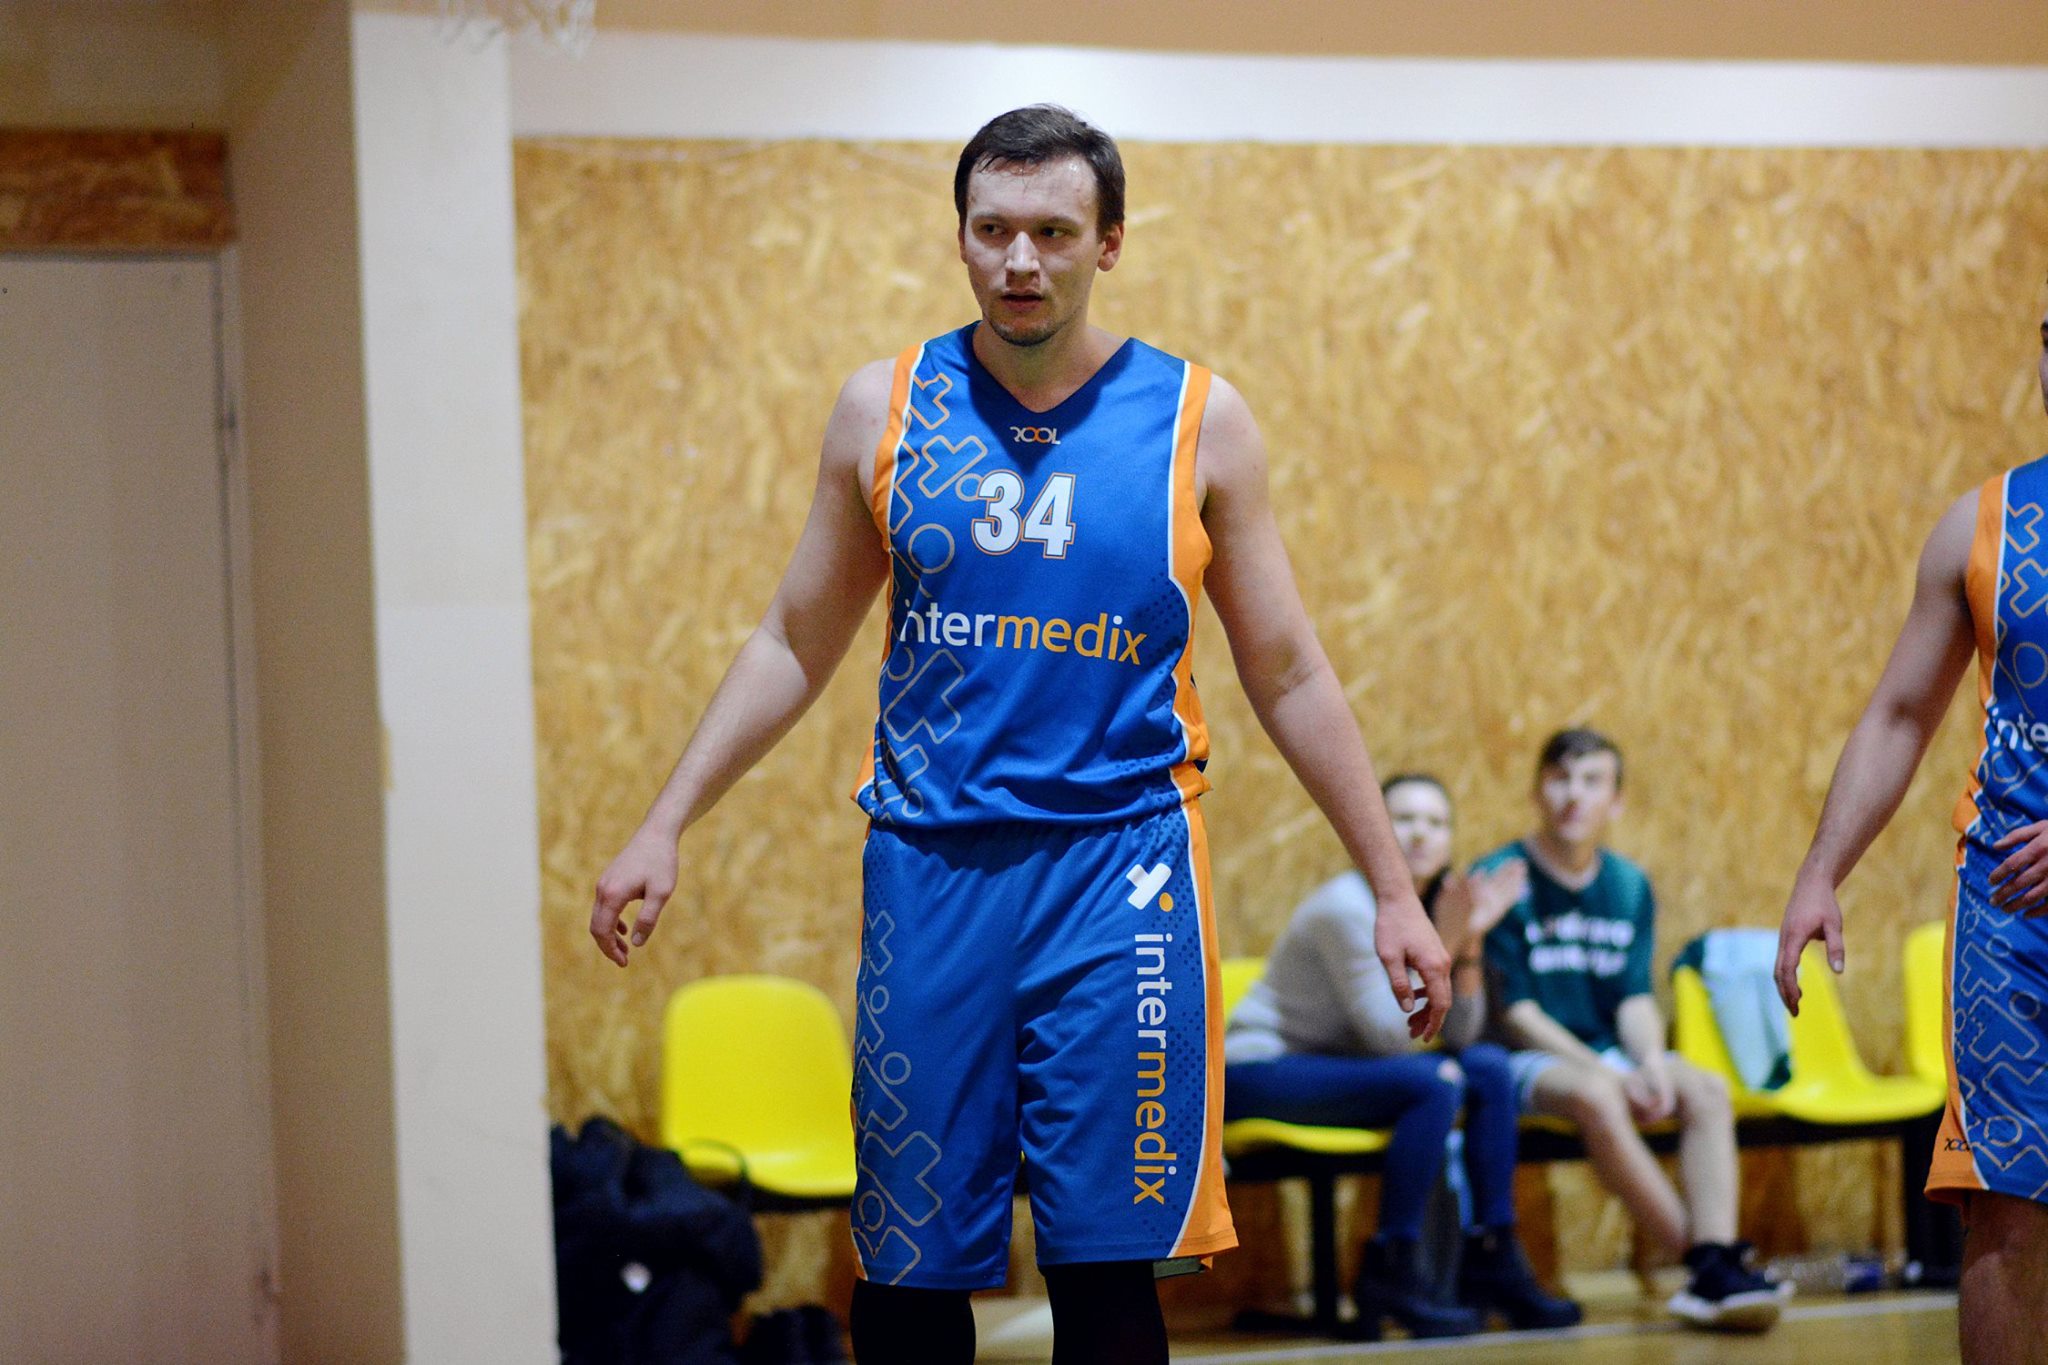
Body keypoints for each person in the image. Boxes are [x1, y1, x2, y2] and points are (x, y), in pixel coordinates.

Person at [587, 105, 1453, 1365]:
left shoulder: (1197, 419)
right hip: (931, 872)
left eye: (1052, 231)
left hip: (1123, 877)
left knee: (1105, 1270)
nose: (1019, 261)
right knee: (908, 1270)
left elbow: (1288, 670)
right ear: (959, 236)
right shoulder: (883, 408)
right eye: (992, 230)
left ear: (1109, 242)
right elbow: (792, 639)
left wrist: (1392, 888)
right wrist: (663, 823)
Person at [1778, 305, 2048, 1365]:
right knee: (2006, 1209)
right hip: (2009, 918)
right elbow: (1898, 715)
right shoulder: (1983, 524)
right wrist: (1821, 871)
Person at [1225, 773, 1582, 1339]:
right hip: (1258, 1068)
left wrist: (1469, 943)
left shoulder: (1432, 907)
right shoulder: (1347, 906)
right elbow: (1390, 1037)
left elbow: (1460, 1035)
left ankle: (1492, 1256)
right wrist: (1449, 937)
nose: (1421, 834)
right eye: (1405, 819)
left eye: (1436, 822)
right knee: (1434, 1081)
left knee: (1488, 1068)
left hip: (1343, 1066)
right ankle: (1391, 1269)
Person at [1475, 728, 1787, 1331]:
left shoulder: (1627, 884)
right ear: (1537, 793)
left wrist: (1647, 1062)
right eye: (1560, 779)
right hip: (1523, 1059)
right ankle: (1707, 1269)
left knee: (1705, 1089)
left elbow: (1634, 999)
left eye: (1591, 781)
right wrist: (1610, 1073)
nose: (1574, 795)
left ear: (1615, 801)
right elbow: (1517, 1014)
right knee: (1598, 1095)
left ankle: (1715, 1257)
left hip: (1608, 1051)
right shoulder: (1501, 878)